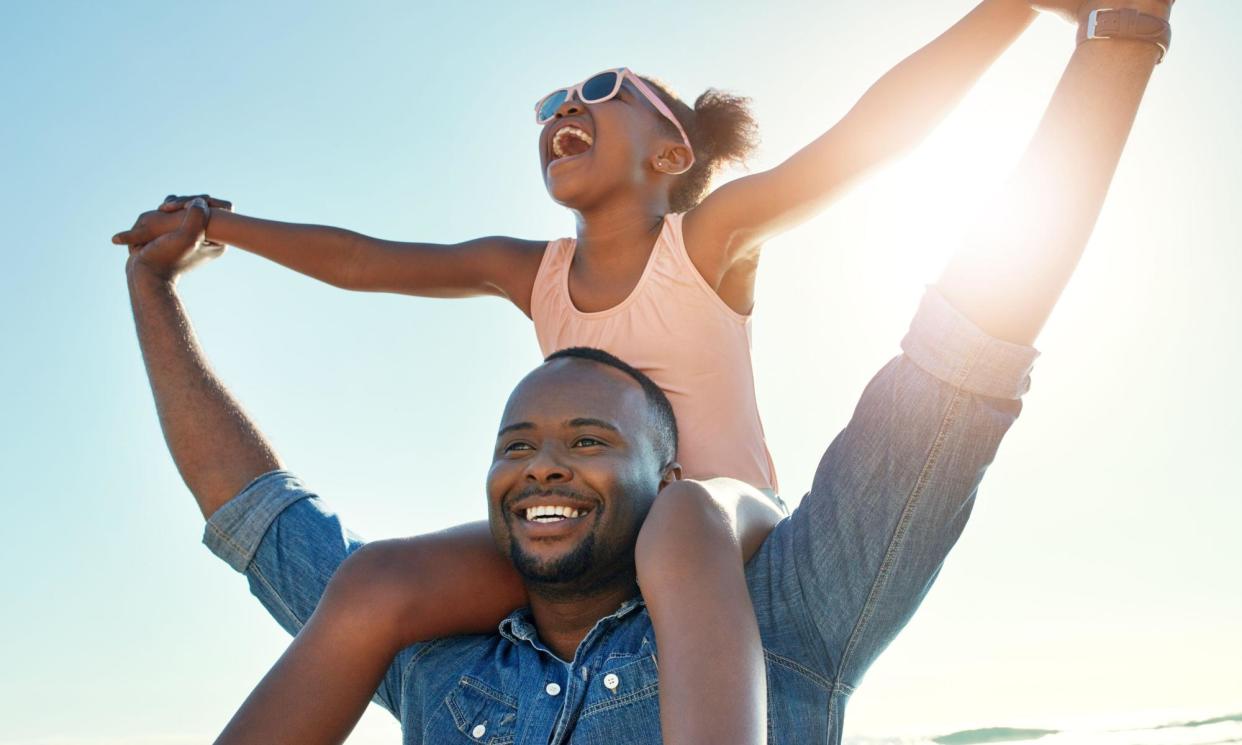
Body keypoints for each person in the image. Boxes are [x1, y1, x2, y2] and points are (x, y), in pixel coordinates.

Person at [117, 0, 1174, 741]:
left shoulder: (708, 241)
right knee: (377, 581)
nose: (561, 111)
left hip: (722, 519)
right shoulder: (530, 271)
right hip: (595, 532)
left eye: (600, 94)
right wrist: (220, 225)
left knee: (674, 522)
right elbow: (365, 262)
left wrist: (1008, 10)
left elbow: (860, 143)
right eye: (549, 107)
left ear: (670, 153)